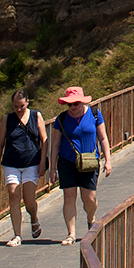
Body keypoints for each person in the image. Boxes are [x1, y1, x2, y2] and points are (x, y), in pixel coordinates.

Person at [48, 87, 112, 244]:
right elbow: (55, 144)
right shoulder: (61, 119)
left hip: (90, 161)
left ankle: (91, 218)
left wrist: (108, 160)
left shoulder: (95, 114)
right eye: (69, 105)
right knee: (69, 196)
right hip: (67, 161)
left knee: (89, 198)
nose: (73, 108)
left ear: (82, 102)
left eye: (75, 104)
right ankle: (71, 234)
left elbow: (103, 138)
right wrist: (52, 168)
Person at [0, 89, 45, 245]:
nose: (18, 109)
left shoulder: (36, 116)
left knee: (29, 200)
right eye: (15, 106)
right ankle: (17, 235)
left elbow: (45, 140)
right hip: (11, 163)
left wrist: (43, 162)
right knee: (13, 194)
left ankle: (34, 218)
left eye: (21, 106)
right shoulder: (7, 119)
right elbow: (0, 143)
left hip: (31, 162)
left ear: (27, 102)